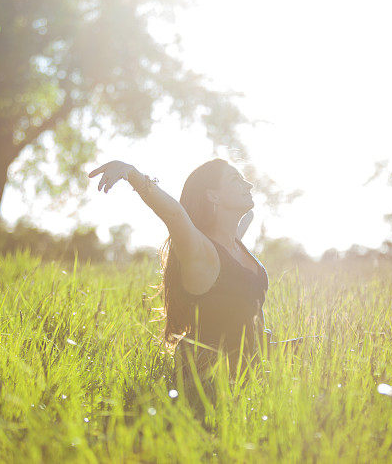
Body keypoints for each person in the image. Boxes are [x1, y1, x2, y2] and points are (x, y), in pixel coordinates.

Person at [88, 158, 290, 389]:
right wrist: (132, 174)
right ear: (213, 196)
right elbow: (174, 213)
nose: (249, 185)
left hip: (252, 362)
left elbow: (244, 224)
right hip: (214, 376)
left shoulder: (233, 246)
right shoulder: (201, 253)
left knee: (320, 345)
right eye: (236, 179)